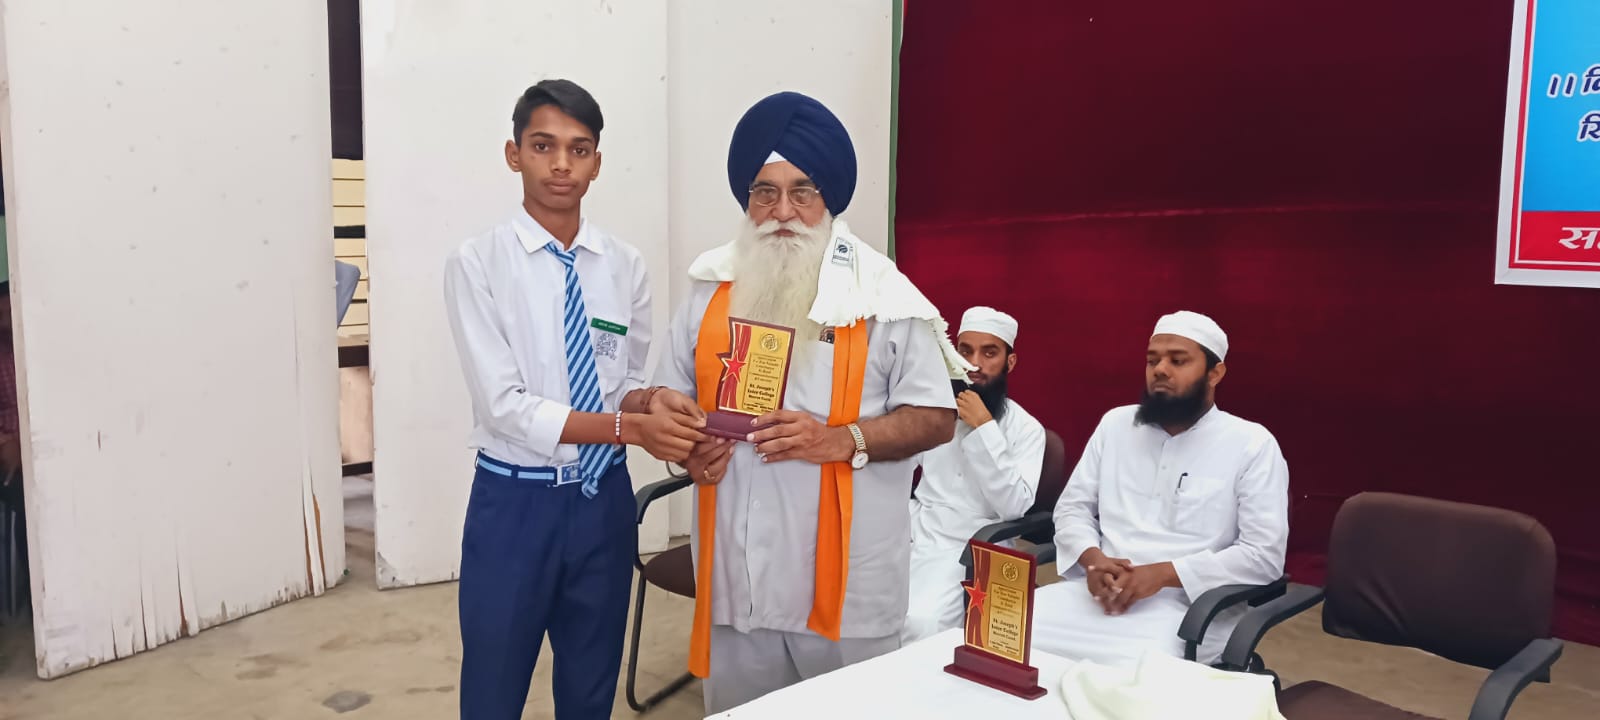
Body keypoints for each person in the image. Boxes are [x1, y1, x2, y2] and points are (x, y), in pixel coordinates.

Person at [654, 91, 970, 715]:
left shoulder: (884, 294)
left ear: (830, 199)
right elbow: (665, 395)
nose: (782, 212)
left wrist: (841, 439)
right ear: (747, 200)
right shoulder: (710, 287)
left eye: (803, 192)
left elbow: (936, 418)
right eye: (764, 193)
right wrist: (683, 446)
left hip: (847, 590)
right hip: (737, 579)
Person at [442, 79, 706, 720]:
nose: (562, 164)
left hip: (602, 504)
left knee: (591, 686)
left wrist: (653, 402)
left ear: (597, 162)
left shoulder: (624, 265)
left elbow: (623, 382)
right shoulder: (477, 263)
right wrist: (627, 429)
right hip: (515, 506)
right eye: (543, 146)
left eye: (579, 149)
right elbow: (504, 405)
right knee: (494, 688)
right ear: (514, 154)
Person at [1034, 311, 1288, 666]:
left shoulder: (1252, 444)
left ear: (1215, 373)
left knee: (1131, 673)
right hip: (1096, 597)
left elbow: (1263, 555)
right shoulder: (1115, 425)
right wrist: (1093, 560)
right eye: (1153, 360)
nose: (1160, 370)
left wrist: (1163, 575)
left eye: (1177, 361)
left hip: (1189, 612)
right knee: (1005, 633)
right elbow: (1072, 508)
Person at [902, 306, 1045, 644]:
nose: (974, 364)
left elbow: (1013, 507)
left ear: (1010, 362)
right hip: (915, 530)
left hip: (973, 545)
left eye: (989, 353)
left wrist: (984, 428)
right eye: (965, 352)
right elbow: (899, 467)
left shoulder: (1027, 430)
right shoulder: (935, 414)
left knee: (920, 622)